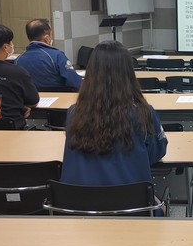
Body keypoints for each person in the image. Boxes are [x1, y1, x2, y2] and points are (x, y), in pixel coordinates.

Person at [60, 40, 167, 187]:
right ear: (129, 73)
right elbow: (156, 153)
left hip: (80, 205)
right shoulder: (143, 112)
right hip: (131, 205)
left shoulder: (74, 112)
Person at [15, 19, 82, 90]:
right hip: (60, 97)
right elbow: (74, 82)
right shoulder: (57, 56)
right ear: (47, 38)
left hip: (31, 99)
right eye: (51, 35)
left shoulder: (18, 59)